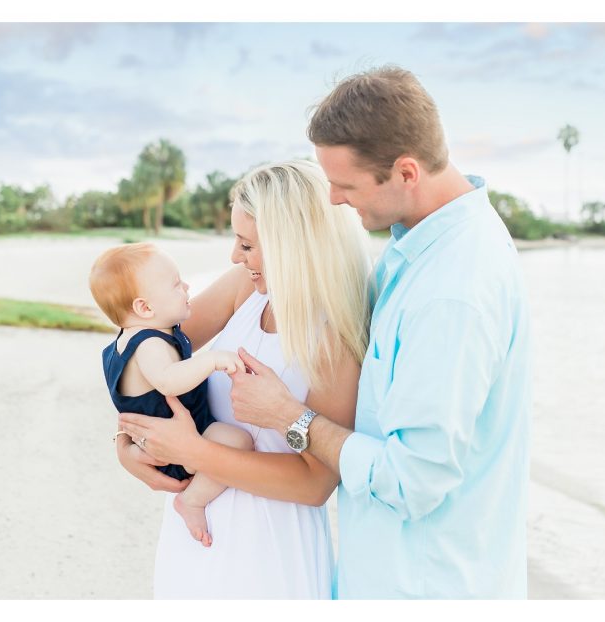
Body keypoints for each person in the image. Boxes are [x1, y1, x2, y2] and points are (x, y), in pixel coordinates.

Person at [224, 66, 533, 599]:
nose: (334, 201)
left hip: (427, 590)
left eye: (344, 185)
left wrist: (288, 417)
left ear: (406, 173)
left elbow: (413, 482)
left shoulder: (453, 290)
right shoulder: (413, 250)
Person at [116, 160, 371, 599]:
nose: (236, 256)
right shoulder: (244, 289)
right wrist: (126, 444)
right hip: (193, 528)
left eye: (247, 245)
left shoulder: (335, 335)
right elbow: (144, 358)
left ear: (292, 245)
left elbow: (315, 484)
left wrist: (193, 450)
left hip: (268, 547)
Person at [89, 243, 251, 547]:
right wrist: (211, 361)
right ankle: (192, 500)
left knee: (233, 441)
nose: (187, 287)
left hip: (167, 441)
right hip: (175, 449)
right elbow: (167, 381)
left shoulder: (133, 337)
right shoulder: (149, 344)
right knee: (238, 442)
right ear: (145, 308)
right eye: (177, 284)